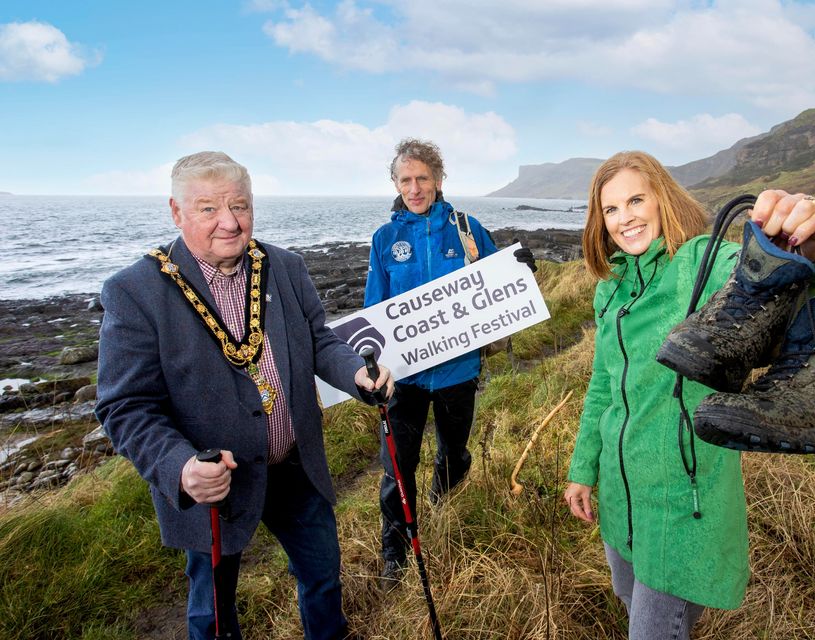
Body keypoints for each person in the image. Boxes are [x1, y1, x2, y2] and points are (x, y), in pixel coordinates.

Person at [95, 151, 394, 640]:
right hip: (212, 484)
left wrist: (356, 376)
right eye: (209, 208)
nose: (230, 223)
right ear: (177, 211)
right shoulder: (135, 291)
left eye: (240, 205)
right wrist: (181, 467)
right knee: (212, 612)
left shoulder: (286, 266)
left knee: (322, 580)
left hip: (294, 464)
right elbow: (125, 406)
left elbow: (319, 339)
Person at [564, 151, 815, 639]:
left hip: (682, 503)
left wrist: (803, 249)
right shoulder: (609, 290)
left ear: (663, 199)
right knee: (630, 599)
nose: (624, 218)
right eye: (610, 209)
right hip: (619, 491)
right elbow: (603, 388)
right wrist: (583, 470)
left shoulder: (698, 261)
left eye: (636, 199)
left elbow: (766, 280)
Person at [364, 138, 536, 588]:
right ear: (396, 184)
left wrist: (521, 269)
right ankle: (395, 551)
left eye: (423, 178)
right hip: (404, 379)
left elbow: (496, 282)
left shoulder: (466, 228)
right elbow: (373, 309)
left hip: (459, 371)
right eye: (406, 180)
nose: (415, 188)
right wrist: (370, 369)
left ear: (438, 180)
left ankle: (446, 519)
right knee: (397, 468)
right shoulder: (385, 240)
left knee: (453, 456)